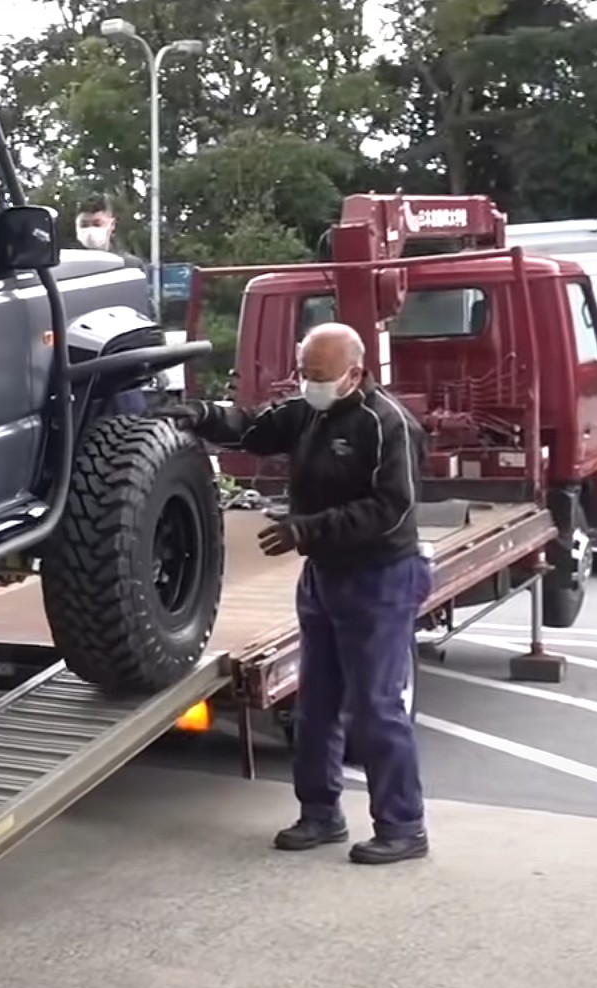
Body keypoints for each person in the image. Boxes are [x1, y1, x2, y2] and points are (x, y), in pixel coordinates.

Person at [154, 322, 431, 865]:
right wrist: (200, 414)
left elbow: (391, 509)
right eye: (304, 374)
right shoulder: (308, 411)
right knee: (316, 705)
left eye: (320, 377)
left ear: (355, 373)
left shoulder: (388, 425)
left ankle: (404, 826)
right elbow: (254, 427)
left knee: (374, 709)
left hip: (379, 577)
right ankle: (320, 814)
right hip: (324, 577)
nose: (309, 385)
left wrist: (306, 529)